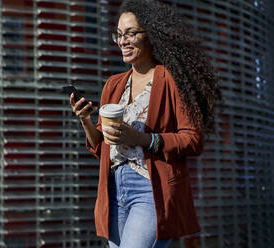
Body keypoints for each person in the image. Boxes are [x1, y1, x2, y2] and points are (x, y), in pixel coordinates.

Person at [69, 0, 221, 247]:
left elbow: (193, 139)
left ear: (151, 34)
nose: (123, 41)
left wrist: (143, 138)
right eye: (118, 34)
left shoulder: (170, 79)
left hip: (151, 189)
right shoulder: (113, 84)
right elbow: (100, 146)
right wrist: (85, 118)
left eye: (131, 33)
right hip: (114, 190)